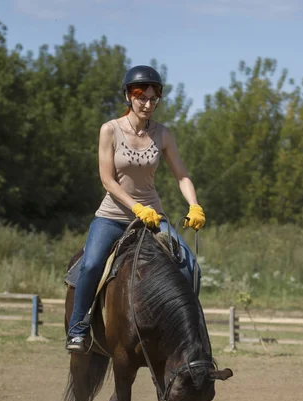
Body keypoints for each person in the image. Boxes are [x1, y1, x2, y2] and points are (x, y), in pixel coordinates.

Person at [66, 65, 206, 353]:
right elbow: (107, 180)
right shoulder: (110, 130)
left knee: (191, 266)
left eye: (154, 98)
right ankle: (78, 329)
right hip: (112, 216)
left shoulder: (163, 134)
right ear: (129, 97)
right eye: (141, 97)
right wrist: (136, 208)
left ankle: (188, 331)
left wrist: (194, 205)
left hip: (153, 219)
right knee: (91, 264)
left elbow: (181, 175)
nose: (148, 104)